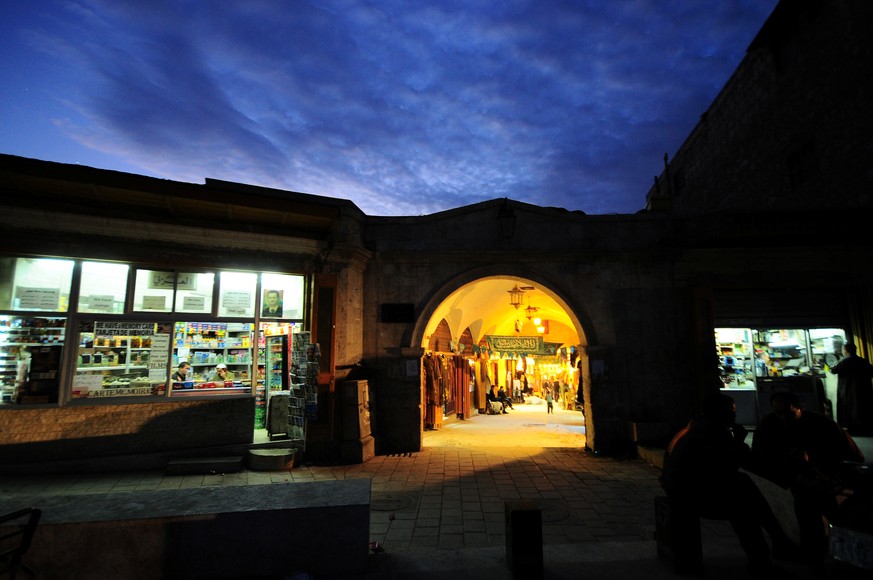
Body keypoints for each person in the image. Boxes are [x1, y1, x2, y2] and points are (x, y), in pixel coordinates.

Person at [661, 393, 800, 577]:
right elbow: (734, 462)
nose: (734, 416)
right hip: (688, 496)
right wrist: (739, 442)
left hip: (682, 490)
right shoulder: (711, 431)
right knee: (743, 507)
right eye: (731, 412)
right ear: (719, 412)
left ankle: (776, 543)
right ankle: (767, 556)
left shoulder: (695, 427)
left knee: (742, 487)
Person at [753, 391, 865, 568]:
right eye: (778, 413)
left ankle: (829, 552)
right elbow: (760, 458)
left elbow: (851, 456)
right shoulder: (769, 425)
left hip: (824, 476)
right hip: (791, 479)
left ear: (799, 409)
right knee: (809, 504)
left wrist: (815, 463)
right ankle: (818, 554)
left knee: (819, 504)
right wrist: (788, 465)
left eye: (787, 412)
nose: (783, 417)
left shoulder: (822, 425)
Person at [829, 342, 873, 436]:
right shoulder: (863, 361)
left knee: (850, 411)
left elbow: (833, 370)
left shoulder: (843, 362)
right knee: (863, 409)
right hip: (864, 391)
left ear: (845, 350)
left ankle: (853, 430)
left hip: (847, 391)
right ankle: (865, 429)